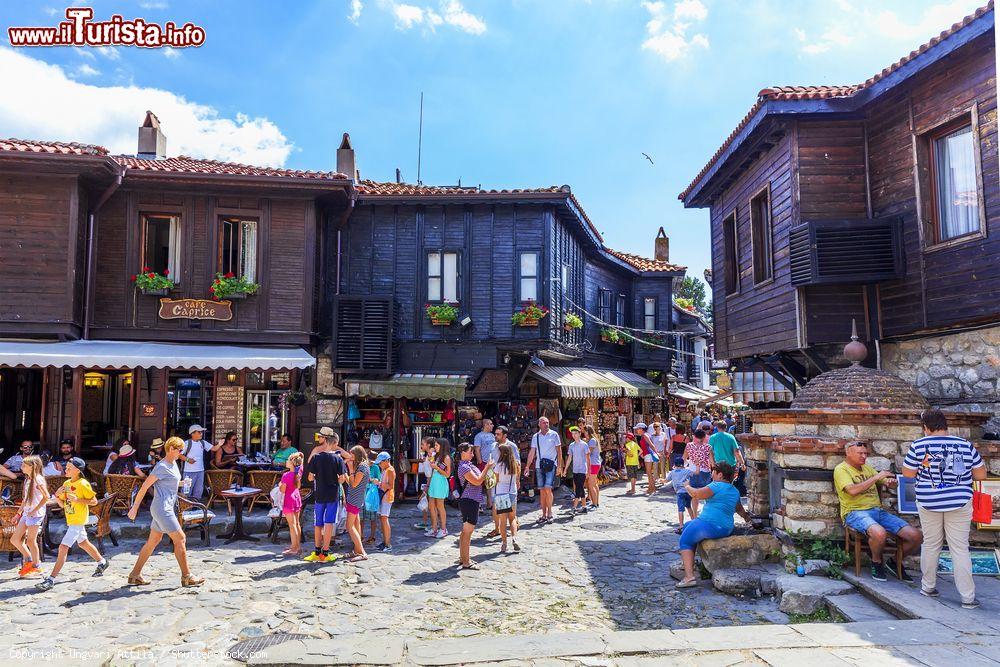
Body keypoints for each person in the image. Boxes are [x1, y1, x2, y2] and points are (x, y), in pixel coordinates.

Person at [902, 409, 986, 607]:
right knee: (960, 548)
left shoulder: (919, 445)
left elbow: (907, 473)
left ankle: (928, 587)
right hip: (959, 502)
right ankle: (968, 598)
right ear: (945, 426)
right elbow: (981, 475)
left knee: (931, 544)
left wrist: (924, 466)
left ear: (926, 428)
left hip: (928, 501)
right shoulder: (964, 445)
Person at [834, 441, 922, 582]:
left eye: (865, 454)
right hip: (855, 512)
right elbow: (852, 490)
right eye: (860, 453)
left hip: (877, 512)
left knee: (916, 536)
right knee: (879, 533)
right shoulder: (841, 469)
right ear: (848, 453)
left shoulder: (867, 468)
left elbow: (886, 481)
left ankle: (894, 562)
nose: (864, 457)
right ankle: (876, 562)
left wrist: (891, 482)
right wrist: (876, 477)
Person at [127, 437, 203, 587]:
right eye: (179, 450)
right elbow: (145, 487)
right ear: (171, 449)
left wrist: (181, 483)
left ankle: (134, 575)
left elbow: (168, 482)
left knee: (152, 542)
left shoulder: (173, 463)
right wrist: (135, 507)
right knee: (180, 538)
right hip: (162, 509)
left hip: (164, 507)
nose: (181, 453)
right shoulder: (161, 466)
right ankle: (187, 576)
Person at [675, 463, 754, 588]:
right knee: (688, 525)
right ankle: (689, 563)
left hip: (710, 525)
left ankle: (689, 577)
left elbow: (696, 494)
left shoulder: (716, 486)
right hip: (726, 528)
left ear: (720, 475)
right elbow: (739, 509)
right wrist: (747, 518)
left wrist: (687, 486)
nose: (712, 474)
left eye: (713, 472)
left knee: (684, 540)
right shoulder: (735, 491)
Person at [36, 458, 108, 591]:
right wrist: (57, 496)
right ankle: (102, 562)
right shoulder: (67, 483)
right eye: (66, 467)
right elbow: (63, 505)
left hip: (78, 520)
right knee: (83, 543)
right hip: (72, 519)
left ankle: (51, 579)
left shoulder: (83, 483)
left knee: (63, 548)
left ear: (77, 470)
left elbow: (94, 501)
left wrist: (78, 499)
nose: (66, 470)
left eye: (69, 468)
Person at [304, 427, 346, 563]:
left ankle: (316, 552)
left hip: (319, 494)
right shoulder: (338, 459)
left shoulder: (316, 457)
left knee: (318, 523)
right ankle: (325, 553)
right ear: (332, 441)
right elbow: (342, 479)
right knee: (329, 523)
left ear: (324, 440)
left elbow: (310, 478)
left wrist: (318, 477)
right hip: (332, 494)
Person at [456, 442, 493, 570]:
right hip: (469, 500)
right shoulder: (464, 467)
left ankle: (463, 558)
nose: (472, 454)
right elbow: (477, 481)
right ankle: (466, 561)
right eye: (470, 451)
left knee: (465, 530)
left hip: (471, 499)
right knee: (468, 531)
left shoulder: (468, 465)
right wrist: (487, 467)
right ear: (463, 453)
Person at [11, 455, 48, 578]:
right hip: (27, 513)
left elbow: (46, 497)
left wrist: (35, 510)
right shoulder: (28, 479)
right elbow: (25, 499)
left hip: (35, 515)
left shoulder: (38, 479)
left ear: (32, 467)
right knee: (15, 539)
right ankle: (29, 560)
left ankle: (37, 566)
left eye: (24, 465)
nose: (21, 467)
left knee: (31, 541)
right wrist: (18, 513)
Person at [525, 416, 563, 524]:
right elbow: (532, 452)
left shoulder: (554, 435)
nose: (546, 424)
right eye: (544, 423)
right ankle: (543, 514)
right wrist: (527, 466)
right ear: (539, 424)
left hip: (551, 465)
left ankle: (550, 513)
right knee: (541, 490)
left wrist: (560, 466)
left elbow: (559, 451)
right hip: (539, 465)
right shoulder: (536, 436)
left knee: (548, 488)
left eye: (547, 422)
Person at [343, 445, 371, 562]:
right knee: (355, 524)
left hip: (355, 499)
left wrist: (350, 469)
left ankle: (362, 552)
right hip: (354, 498)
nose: (350, 456)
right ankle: (357, 550)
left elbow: (353, 484)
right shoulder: (361, 466)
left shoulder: (362, 467)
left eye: (352, 454)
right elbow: (351, 482)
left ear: (357, 455)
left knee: (349, 526)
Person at [179, 424, 221, 499]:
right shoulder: (187, 443)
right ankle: (184, 507)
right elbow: (179, 455)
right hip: (189, 471)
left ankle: (195, 507)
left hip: (200, 471)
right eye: (199, 432)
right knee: (186, 490)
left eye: (201, 432)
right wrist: (188, 460)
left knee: (198, 491)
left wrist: (220, 444)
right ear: (192, 433)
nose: (201, 434)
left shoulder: (203, 442)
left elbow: (214, 449)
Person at [494, 439, 520, 554]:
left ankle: (504, 544)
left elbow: (497, 479)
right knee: (513, 518)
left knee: (503, 520)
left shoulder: (499, 465)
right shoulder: (515, 464)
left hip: (501, 493)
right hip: (512, 492)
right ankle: (514, 537)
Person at [474, 419, 500, 538]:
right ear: (485, 425)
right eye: (490, 424)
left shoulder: (492, 435)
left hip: (492, 462)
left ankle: (490, 502)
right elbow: (477, 449)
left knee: (491, 482)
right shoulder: (479, 436)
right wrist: (479, 460)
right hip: (483, 461)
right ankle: (479, 504)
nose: (492, 425)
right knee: (480, 482)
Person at [279, 451, 305, 556]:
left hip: (289, 499)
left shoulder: (286, 475)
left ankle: (294, 548)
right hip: (297, 497)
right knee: (297, 523)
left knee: (292, 525)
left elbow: (283, 490)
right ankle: (297, 546)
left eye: (288, 460)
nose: (286, 461)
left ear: (292, 463)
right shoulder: (299, 473)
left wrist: (280, 484)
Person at [425, 438, 452, 538]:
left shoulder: (446, 458)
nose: (435, 447)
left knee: (440, 506)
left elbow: (447, 474)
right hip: (434, 482)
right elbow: (431, 468)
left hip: (440, 482)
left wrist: (437, 468)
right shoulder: (436, 456)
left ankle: (444, 529)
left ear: (442, 446)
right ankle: (434, 528)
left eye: (436, 445)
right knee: (431, 506)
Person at [684, 428, 713, 517]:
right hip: (705, 472)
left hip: (692, 471)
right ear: (704, 437)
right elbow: (712, 461)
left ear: (695, 436)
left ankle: (695, 514)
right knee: (707, 495)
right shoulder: (708, 447)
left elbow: (684, 458)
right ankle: (706, 514)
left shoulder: (689, 446)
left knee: (694, 495)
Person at [562, 427, 591, 514]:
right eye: (572, 434)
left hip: (582, 469)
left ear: (579, 434)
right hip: (575, 469)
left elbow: (588, 458)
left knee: (578, 488)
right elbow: (570, 458)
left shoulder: (584, 445)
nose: (573, 435)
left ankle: (574, 508)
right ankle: (584, 507)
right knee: (580, 488)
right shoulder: (571, 445)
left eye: (575, 433)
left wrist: (589, 471)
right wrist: (565, 469)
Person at [665, 456, 693, 534]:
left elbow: (666, 480)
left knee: (680, 510)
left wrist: (661, 480)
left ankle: (681, 526)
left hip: (680, 493)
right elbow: (694, 474)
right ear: (682, 464)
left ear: (675, 464)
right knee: (688, 506)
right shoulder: (687, 471)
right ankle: (694, 521)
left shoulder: (672, 472)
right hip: (688, 492)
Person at [375, 451, 395, 552]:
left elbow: (391, 486)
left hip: (387, 497)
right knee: (382, 519)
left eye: (381, 462)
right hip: (383, 496)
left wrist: (379, 483)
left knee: (384, 519)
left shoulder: (390, 470)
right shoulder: (385, 469)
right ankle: (385, 542)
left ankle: (388, 544)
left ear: (387, 461)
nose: (379, 464)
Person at [414, 436, 434, 530]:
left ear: (428, 445)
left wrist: (428, 485)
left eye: (423, 444)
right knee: (426, 502)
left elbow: (432, 472)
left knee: (431, 504)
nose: (421, 445)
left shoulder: (432, 455)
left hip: (431, 481)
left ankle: (434, 525)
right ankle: (426, 522)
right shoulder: (428, 455)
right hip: (428, 480)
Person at [635, 423, 657, 494]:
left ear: (641, 429)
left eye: (638, 429)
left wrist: (656, 453)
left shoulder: (645, 435)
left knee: (649, 472)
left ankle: (652, 488)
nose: (637, 430)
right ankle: (651, 487)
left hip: (648, 454)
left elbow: (651, 444)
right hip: (647, 454)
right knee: (649, 472)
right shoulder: (646, 435)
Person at [585, 425, 602, 510]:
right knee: (594, 484)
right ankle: (596, 502)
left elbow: (588, 452)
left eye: (585, 431)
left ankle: (594, 504)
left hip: (593, 464)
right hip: (595, 463)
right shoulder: (593, 440)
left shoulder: (592, 440)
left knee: (591, 485)